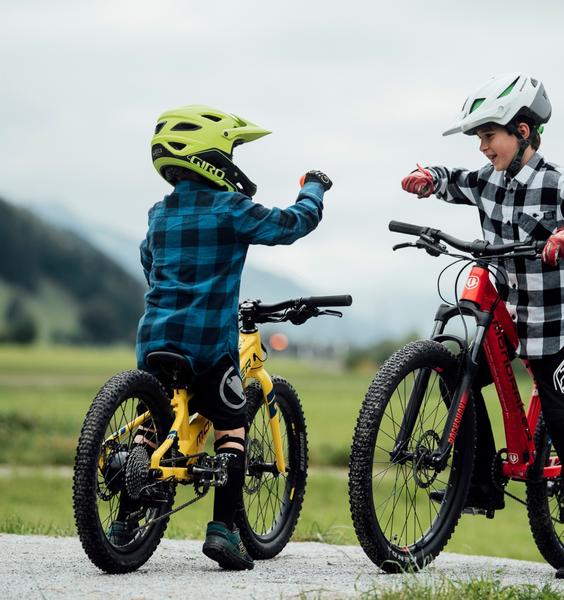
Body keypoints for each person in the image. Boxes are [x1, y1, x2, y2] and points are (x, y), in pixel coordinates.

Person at [401, 73, 564, 582]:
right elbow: (453, 178)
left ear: (522, 131)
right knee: (457, 371)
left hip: (556, 317)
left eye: (490, 137)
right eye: (478, 140)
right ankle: (477, 481)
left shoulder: (557, 181)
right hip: (508, 306)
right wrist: (428, 178)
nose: (483, 148)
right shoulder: (488, 179)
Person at [128, 105, 332, 570]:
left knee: (151, 424)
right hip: (206, 345)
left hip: (155, 337)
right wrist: (314, 187)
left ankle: (122, 526)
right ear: (214, 156)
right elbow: (290, 224)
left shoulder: (158, 214)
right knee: (232, 422)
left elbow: (149, 265)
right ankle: (223, 532)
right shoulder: (230, 207)